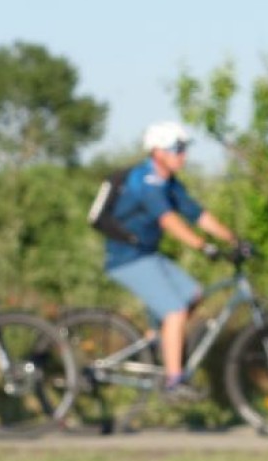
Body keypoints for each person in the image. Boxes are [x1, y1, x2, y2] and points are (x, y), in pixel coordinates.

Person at [104, 120, 242, 401]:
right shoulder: (145, 181)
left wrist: (234, 240)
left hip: (147, 255)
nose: (184, 156)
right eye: (178, 149)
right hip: (127, 259)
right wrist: (203, 247)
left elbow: (197, 214)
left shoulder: (169, 183)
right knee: (175, 311)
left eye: (184, 149)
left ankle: (159, 341)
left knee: (193, 294)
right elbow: (168, 220)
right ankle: (174, 381)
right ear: (158, 152)